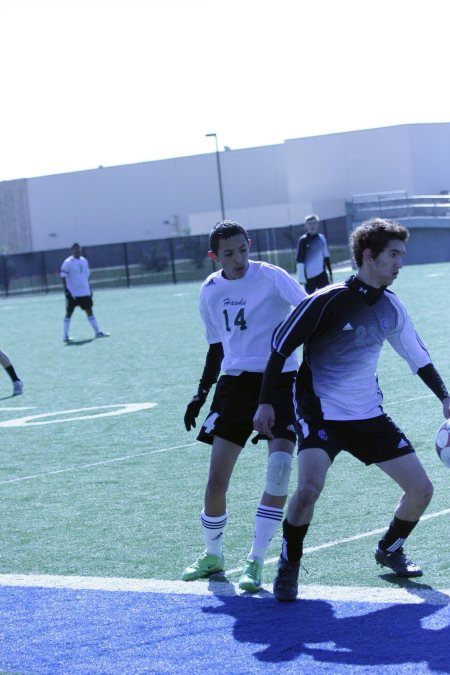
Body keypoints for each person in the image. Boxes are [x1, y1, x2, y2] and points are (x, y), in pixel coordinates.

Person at [254, 217, 450, 602]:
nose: (399, 263)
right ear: (368, 256)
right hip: (320, 414)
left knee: (421, 491)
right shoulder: (324, 301)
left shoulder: (391, 307)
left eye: (401, 255)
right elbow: (279, 348)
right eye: (393, 255)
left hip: (368, 415)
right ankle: (289, 562)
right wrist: (264, 402)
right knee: (309, 488)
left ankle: (390, 549)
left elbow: (417, 357)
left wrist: (444, 396)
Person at [181, 220, 307, 592]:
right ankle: (212, 555)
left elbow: (308, 312)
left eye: (242, 249)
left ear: (249, 244)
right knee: (216, 481)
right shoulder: (210, 290)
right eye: (228, 253)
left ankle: (255, 561)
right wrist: (201, 392)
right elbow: (216, 347)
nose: (238, 259)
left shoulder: (272, 277)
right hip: (235, 387)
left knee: (280, 468)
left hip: (281, 380)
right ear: (214, 256)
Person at [60, 243, 109, 343]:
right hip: (73, 293)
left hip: (84, 292)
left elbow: (86, 276)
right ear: (71, 250)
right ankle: (65, 336)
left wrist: (89, 289)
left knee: (89, 311)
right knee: (69, 314)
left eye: (78, 249)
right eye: (75, 249)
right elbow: (63, 276)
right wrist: (66, 291)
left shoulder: (84, 261)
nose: (77, 251)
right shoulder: (68, 262)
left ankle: (97, 332)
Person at [296, 214, 333, 292]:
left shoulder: (322, 238)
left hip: (322, 275)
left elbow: (326, 256)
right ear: (306, 225)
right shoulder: (303, 240)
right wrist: (301, 277)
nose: (312, 225)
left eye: (314, 223)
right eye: (309, 224)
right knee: (310, 300)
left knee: (326, 297)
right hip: (309, 277)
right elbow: (299, 259)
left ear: (317, 224)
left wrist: (330, 273)